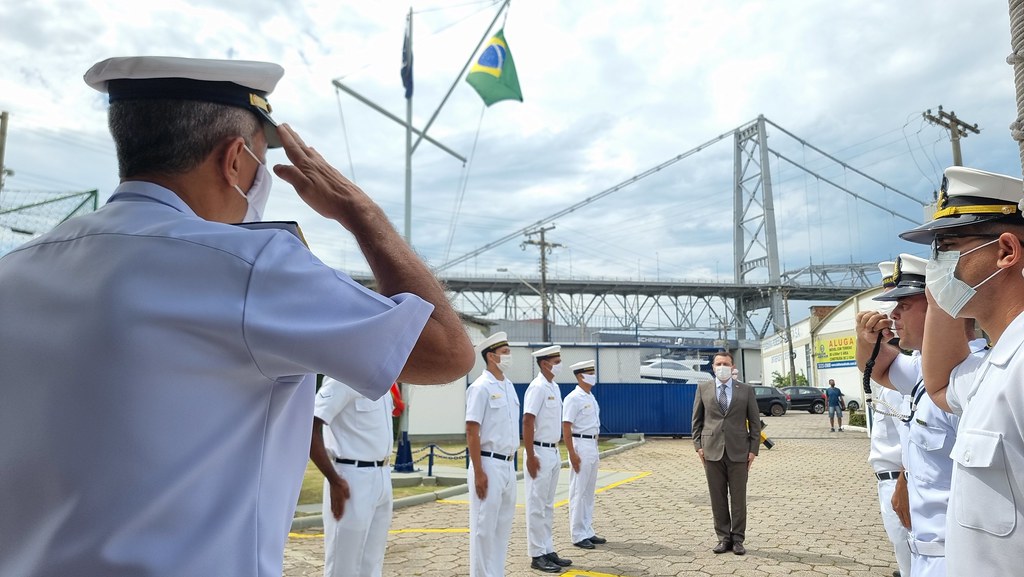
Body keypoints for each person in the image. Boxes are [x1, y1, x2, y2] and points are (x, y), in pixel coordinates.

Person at [0, 56, 474, 577]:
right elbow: (447, 352)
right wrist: (359, 210)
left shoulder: (14, 272)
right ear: (234, 160)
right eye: (262, 161)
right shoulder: (252, 268)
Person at [893, 166, 1024, 576]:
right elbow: (940, 384)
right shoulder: (996, 363)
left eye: (946, 246)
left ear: (1005, 251)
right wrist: (940, 300)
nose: (936, 265)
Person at [858, 253, 987, 577]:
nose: (894, 314)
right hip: (925, 554)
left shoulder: (978, 374)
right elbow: (878, 369)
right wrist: (866, 339)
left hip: (962, 557)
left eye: (905, 304)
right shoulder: (923, 370)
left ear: (940, 305)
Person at [309, 377, 395, 577]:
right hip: (351, 478)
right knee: (343, 565)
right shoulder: (342, 378)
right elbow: (309, 427)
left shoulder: (382, 383)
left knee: (372, 564)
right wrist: (334, 480)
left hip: (382, 475)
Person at [691, 351, 761, 556]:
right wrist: (698, 446)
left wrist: (753, 450)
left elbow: (755, 423)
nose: (722, 366)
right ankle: (723, 538)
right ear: (713, 367)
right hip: (711, 451)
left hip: (739, 451)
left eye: (726, 364)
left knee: (738, 498)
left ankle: (738, 539)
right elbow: (697, 420)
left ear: (732, 367)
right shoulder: (703, 389)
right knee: (717, 497)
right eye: (718, 363)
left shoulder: (745, 390)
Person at [867, 260, 912, 577]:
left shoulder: (913, 361)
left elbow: (916, 434)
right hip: (889, 481)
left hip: (902, 482)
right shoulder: (890, 357)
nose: (891, 315)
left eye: (899, 304)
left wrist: (904, 483)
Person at [466, 332, 520, 577]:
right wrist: (478, 472)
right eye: (505, 352)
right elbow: (471, 431)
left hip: (508, 465)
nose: (509, 356)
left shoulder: (508, 386)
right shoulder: (480, 387)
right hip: (488, 464)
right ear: (491, 356)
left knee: (502, 528)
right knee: (483, 529)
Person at [522, 345, 573, 573]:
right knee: (535, 505)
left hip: (552, 450)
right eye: (556, 360)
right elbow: (528, 421)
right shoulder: (537, 387)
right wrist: (531, 454)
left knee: (548, 505)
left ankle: (547, 548)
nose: (560, 364)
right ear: (545, 363)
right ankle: (536, 554)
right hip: (539, 452)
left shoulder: (554, 386)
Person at [562, 360, 605, 550]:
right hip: (580, 443)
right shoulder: (574, 398)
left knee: (588, 491)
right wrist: (572, 452)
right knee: (578, 491)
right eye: (590, 373)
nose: (593, 376)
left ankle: (587, 529)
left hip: (592, 445)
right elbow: (566, 425)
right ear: (580, 376)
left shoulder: (589, 397)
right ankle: (577, 534)